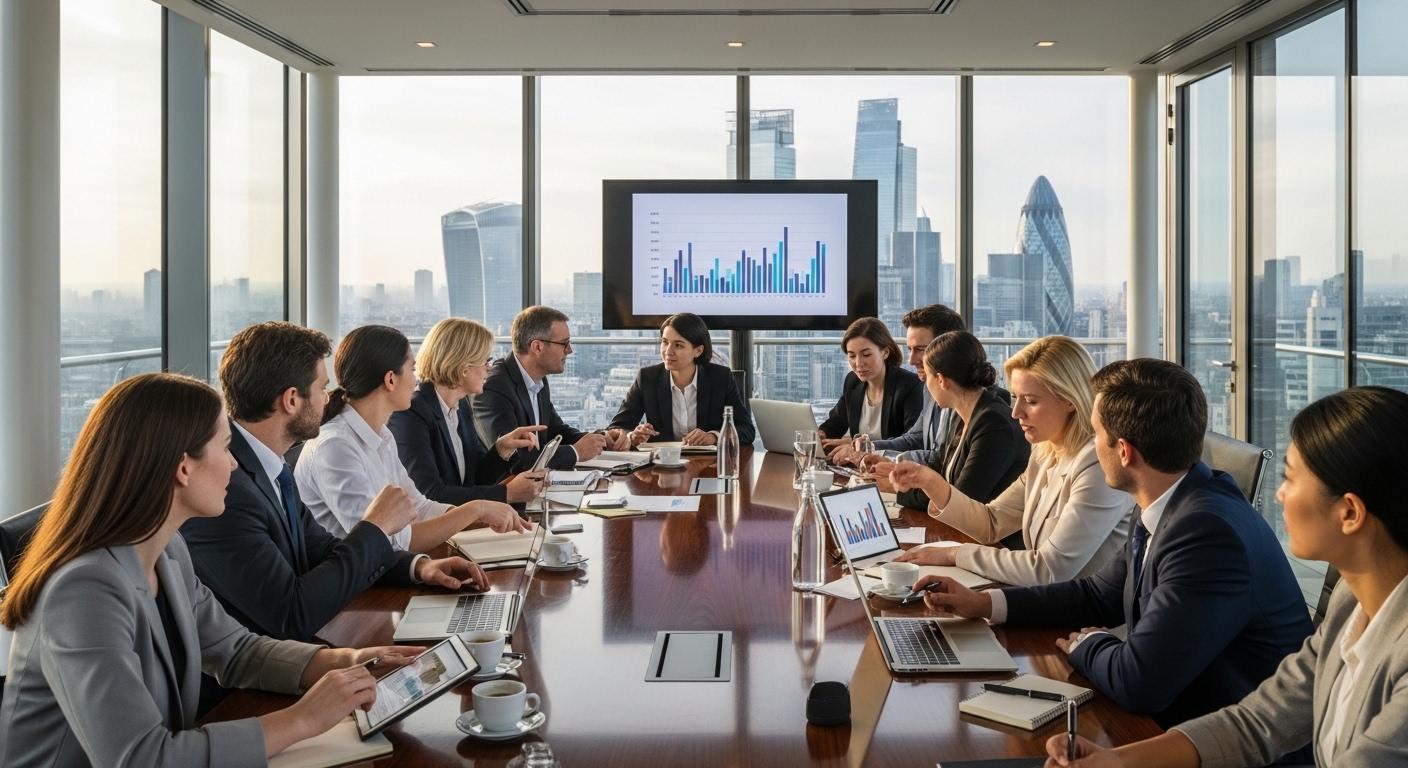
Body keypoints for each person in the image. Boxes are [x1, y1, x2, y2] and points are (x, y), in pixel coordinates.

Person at [0, 373, 424, 767]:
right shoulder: (84, 590)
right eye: (225, 448)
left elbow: (237, 651)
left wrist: (345, 660)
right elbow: (141, 758)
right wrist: (302, 720)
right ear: (183, 468)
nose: (236, 464)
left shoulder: (168, 552)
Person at [914, 358, 1313, 729]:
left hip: (1217, 737)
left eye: (1098, 434)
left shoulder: (1206, 534)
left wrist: (1088, 643)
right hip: (1178, 717)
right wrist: (984, 604)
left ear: (1124, 452)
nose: (1091, 443)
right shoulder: (1171, 500)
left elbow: (1140, 682)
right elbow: (1097, 595)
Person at [1044, 386, 1408, 768]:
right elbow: (1259, 721)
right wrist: (1117, 761)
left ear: (1350, 513)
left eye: (1290, 478)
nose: (1280, 495)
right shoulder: (1351, 603)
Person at [181, 321, 487, 644]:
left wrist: (418, 568)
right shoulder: (228, 490)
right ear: (291, 400)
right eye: (321, 389)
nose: (328, 399)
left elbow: (324, 550)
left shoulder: (272, 467)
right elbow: (292, 612)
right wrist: (376, 526)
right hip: (260, 678)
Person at [891, 336, 1132, 586]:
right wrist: (929, 482)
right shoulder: (1045, 452)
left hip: (1083, 620)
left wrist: (954, 554)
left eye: (1031, 401)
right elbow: (991, 522)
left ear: (1070, 400)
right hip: (1047, 604)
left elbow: (1049, 569)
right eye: (1016, 398)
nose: (1016, 413)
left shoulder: (1097, 464)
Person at [296, 325, 531, 553]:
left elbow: (419, 506)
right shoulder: (336, 446)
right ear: (391, 380)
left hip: (385, 571)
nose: (416, 380)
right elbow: (385, 540)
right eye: (412, 369)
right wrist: (476, 510)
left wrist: (483, 514)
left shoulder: (382, 435)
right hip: (362, 586)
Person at [388, 317, 545, 505]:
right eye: (486, 360)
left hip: (461, 526)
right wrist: (507, 493)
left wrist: (501, 449)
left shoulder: (460, 406)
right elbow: (429, 495)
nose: (490, 367)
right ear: (464, 368)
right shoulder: (411, 413)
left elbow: (474, 480)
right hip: (437, 531)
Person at [883, 331, 1028, 511]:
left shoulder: (994, 424)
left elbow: (960, 501)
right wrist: (911, 476)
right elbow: (939, 470)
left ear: (942, 380)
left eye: (928, 377)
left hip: (993, 537)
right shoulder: (960, 414)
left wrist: (895, 490)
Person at [469, 306, 612, 471]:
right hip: (505, 491)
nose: (570, 350)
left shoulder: (538, 379)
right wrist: (575, 452)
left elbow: (555, 431)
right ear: (537, 347)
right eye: (564, 344)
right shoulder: (493, 387)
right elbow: (513, 458)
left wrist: (600, 439)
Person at [828, 304, 967, 467]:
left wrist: (878, 456)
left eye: (921, 349)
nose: (911, 360)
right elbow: (914, 438)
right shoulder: (930, 390)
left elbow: (940, 458)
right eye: (910, 349)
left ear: (950, 348)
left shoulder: (969, 400)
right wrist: (869, 448)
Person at [604, 312, 756, 447]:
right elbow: (617, 428)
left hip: (708, 466)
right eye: (665, 342)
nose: (668, 351)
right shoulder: (647, 378)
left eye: (678, 345)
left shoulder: (720, 378)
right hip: (662, 467)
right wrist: (632, 437)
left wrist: (713, 437)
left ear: (698, 351)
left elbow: (746, 430)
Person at [816, 317, 923, 449]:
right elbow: (835, 424)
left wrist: (859, 446)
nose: (859, 364)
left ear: (885, 352)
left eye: (866, 354)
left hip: (892, 465)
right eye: (852, 356)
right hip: (857, 465)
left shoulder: (910, 385)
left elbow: (911, 442)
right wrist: (822, 434)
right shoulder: (852, 381)